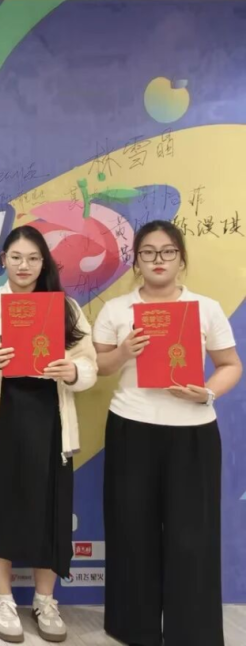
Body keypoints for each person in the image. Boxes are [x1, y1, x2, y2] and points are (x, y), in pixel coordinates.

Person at [93, 220, 241, 646]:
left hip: (192, 433)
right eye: (148, 253)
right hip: (131, 427)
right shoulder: (116, 310)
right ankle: (132, 627)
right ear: (136, 261)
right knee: (131, 530)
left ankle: (192, 631)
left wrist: (207, 392)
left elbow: (231, 365)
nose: (158, 260)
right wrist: (124, 351)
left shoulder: (205, 308)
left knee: (192, 535)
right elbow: (98, 366)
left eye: (167, 252)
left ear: (181, 258)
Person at [0, 225, 98, 644]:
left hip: (51, 421)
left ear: (44, 263)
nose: (24, 266)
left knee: (49, 511)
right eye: (16, 257)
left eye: (33, 258)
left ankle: (45, 599)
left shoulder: (66, 308)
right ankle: (3, 599)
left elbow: (89, 365)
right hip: (2, 421)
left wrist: (72, 371)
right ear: (4, 260)